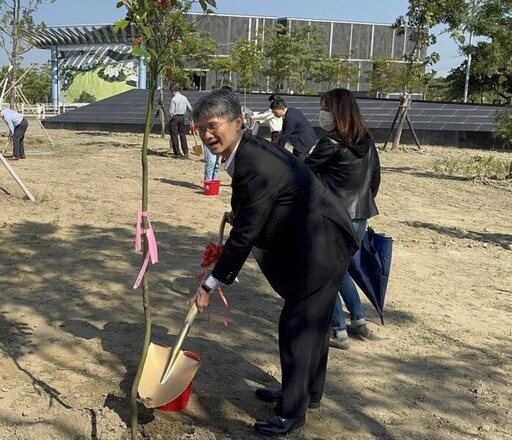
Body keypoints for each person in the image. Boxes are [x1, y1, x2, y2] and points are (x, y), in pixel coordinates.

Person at [188, 89, 358, 436]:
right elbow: (258, 206)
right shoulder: (247, 150)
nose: (207, 135)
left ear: (237, 123)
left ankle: (291, 413)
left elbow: (247, 233)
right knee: (312, 326)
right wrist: (241, 212)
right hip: (320, 240)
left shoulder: (254, 161)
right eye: (201, 127)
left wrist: (210, 283)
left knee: (297, 327)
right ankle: (306, 393)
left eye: (213, 126)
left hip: (322, 247)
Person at [304, 88, 381, 350]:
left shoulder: (331, 142)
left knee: (325, 274)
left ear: (336, 111)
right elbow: (375, 180)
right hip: (361, 215)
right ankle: (358, 319)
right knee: (343, 268)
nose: (322, 113)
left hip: (334, 217)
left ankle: (338, 330)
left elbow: (304, 171)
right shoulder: (368, 141)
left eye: (325, 108)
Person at [270, 97, 317, 161]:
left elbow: (285, 135)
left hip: (304, 142)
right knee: (295, 159)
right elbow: (284, 131)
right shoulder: (292, 111)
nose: (274, 115)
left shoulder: (290, 119)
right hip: (305, 138)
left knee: (300, 163)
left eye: (275, 112)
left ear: (281, 109)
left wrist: (278, 149)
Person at [168, 85, 192, 158]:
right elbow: (190, 108)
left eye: (171, 92)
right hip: (182, 117)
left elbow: (171, 111)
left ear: (173, 91)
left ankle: (177, 153)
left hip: (175, 117)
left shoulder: (174, 99)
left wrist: (171, 118)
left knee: (174, 136)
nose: (170, 93)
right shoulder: (184, 98)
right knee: (182, 135)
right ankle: (186, 153)